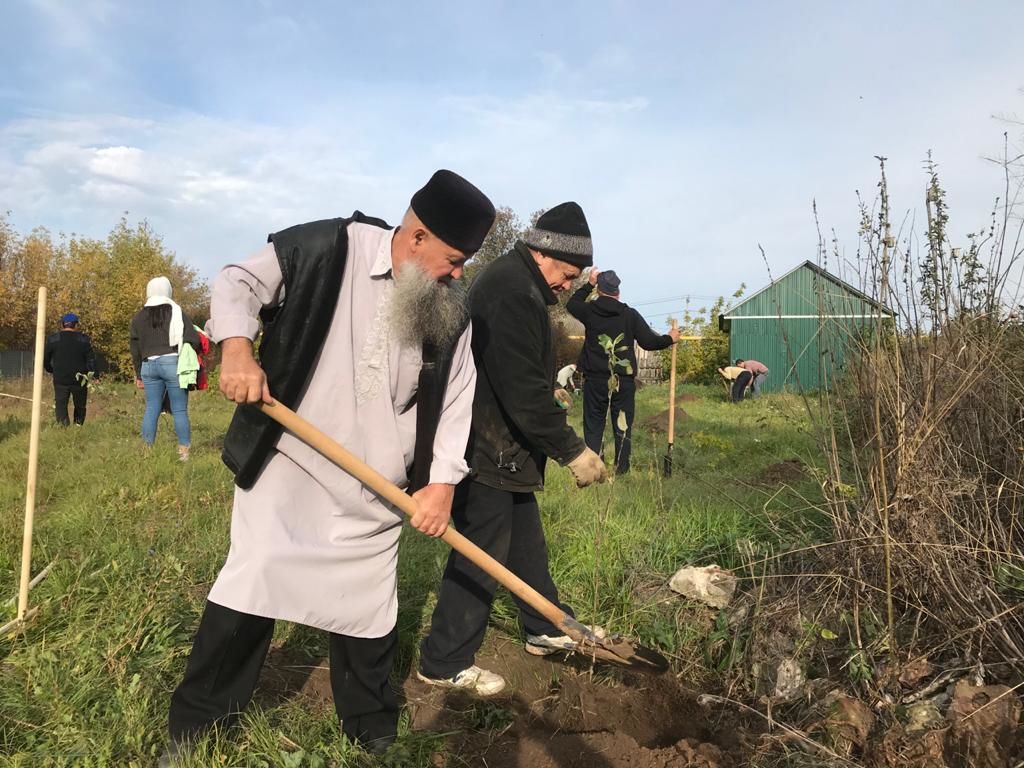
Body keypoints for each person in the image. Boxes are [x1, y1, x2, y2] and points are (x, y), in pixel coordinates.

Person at [160, 170, 495, 764]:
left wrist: (440, 484)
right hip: (288, 470)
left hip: (375, 492)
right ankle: (195, 730)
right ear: (416, 237)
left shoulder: (449, 313)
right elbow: (236, 281)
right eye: (453, 258)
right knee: (252, 585)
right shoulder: (325, 247)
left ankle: (371, 731)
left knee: (366, 609)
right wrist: (236, 346)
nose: (457, 273)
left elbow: (457, 401)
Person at [417, 202, 608, 697]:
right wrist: (573, 451)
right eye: (567, 274)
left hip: (506, 447)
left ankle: (545, 627)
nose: (569, 285)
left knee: (525, 547)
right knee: (481, 556)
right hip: (487, 449)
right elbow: (521, 389)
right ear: (542, 253)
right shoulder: (511, 292)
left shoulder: (518, 284)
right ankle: (443, 662)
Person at [567, 269, 679, 474]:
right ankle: (622, 469)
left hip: (595, 380)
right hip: (623, 381)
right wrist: (669, 338)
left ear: (599, 290)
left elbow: (572, 304)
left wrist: (588, 284)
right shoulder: (629, 315)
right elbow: (649, 342)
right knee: (623, 426)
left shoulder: (590, 311)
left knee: (593, 425)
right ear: (618, 292)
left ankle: (594, 468)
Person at [130, 277, 202, 461]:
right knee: (178, 410)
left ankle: (146, 452)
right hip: (172, 363)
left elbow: (135, 348)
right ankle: (184, 454)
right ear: (168, 291)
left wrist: (139, 373)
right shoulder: (177, 312)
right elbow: (193, 339)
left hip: (148, 366)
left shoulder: (138, 317)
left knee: (152, 408)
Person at [43, 312, 96, 426]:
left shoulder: (53, 339)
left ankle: (63, 428)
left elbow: (45, 358)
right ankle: (78, 426)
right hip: (80, 379)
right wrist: (91, 374)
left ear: (63, 324)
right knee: (80, 405)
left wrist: (50, 369)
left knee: (61, 405)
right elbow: (91, 360)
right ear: (76, 325)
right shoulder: (83, 339)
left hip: (60, 378)